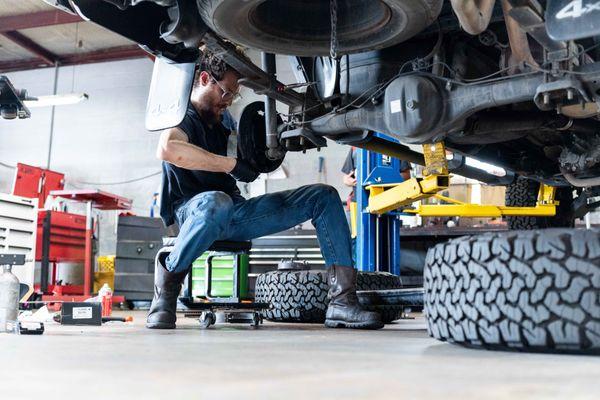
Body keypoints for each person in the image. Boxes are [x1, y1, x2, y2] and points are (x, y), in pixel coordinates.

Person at [147, 53, 383, 330]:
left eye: (234, 96)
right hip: (194, 214)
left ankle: (342, 302)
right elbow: (169, 149)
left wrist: (266, 151)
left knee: (324, 196)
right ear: (204, 79)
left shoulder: (226, 124)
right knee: (217, 202)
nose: (229, 100)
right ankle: (166, 290)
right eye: (226, 92)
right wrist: (232, 165)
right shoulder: (182, 115)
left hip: (234, 213)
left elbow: (248, 159)